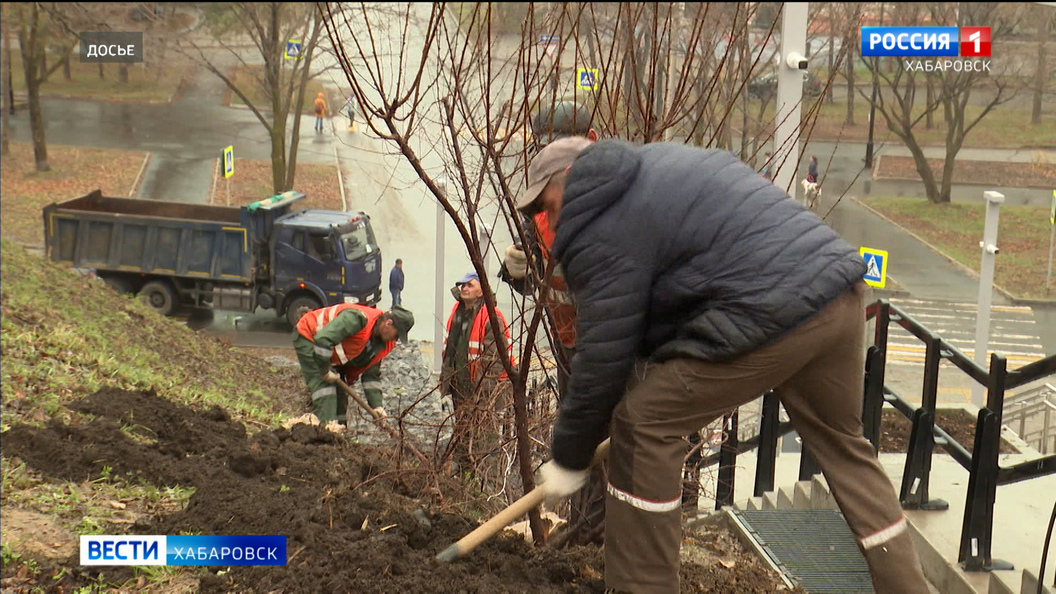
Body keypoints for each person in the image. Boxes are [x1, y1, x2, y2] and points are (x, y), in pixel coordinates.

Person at [529, 138, 930, 594]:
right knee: (845, 449)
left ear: (570, 180)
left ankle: (644, 586)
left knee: (645, 424)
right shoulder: (659, 165)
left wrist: (568, 456)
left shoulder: (598, 223)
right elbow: (640, 330)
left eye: (548, 205)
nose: (552, 221)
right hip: (838, 292)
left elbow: (602, 354)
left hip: (774, 311)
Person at [293, 303, 414, 424]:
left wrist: (377, 406)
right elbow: (323, 340)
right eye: (397, 335)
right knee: (325, 389)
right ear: (388, 323)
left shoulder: (381, 345)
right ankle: (324, 433)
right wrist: (324, 371)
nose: (395, 339)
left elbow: (371, 375)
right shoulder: (357, 319)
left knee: (341, 393)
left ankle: (340, 433)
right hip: (308, 336)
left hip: (329, 352)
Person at [441, 272, 513, 464]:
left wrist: (483, 392)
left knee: (484, 433)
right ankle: (465, 471)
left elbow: (494, 359)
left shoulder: (491, 316)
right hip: (461, 385)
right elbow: (450, 350)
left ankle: (486, 478)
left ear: (482, 291)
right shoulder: (458, 311)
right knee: (463, 429)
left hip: (486, 387)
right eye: (462, 284)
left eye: (470, 285)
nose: (464, 288)